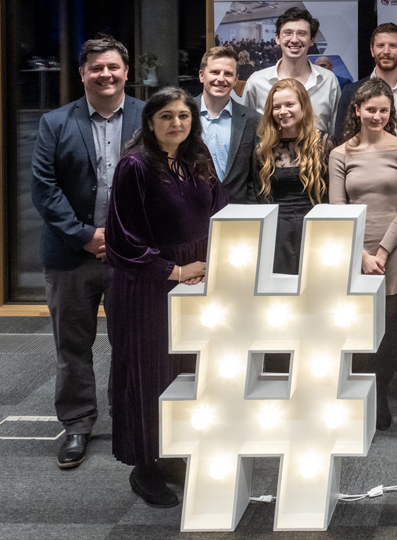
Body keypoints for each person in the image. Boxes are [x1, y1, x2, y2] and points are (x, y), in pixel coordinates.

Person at [106, 87, 228, 507]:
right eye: (166, 116)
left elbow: (220, 208)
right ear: (150, 121)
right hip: (149, 284)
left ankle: (172, 450)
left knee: (185, 372)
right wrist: (173, 272)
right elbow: (123, 240)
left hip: (196, 276)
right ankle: (145, 465)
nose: (177, 123)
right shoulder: (135, 166)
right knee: (148, 374)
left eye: (184, 116)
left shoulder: (198, 158)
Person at [31, 37, 145, 470]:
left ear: (126, 71)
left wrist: (123, 237)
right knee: (72, 344)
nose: (106, 75)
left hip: (131, 253)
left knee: (129, 342)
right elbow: (44, 189)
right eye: (96, 68)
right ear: (82, 74)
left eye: (113, 67)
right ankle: (77, 423)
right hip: (70, 254)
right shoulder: (55, 122)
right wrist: (85, 236)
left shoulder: (146, 117)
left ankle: (126, 419)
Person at [329, 79, 397, 431]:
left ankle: (379, 394)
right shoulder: (340, 153)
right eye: (371, 109)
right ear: (357, 110)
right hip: (354, 250)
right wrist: (363, 255)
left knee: (388, 329)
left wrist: (381, 252)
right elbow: (338, 207)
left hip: (394, 250)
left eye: (384, 110)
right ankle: (360, 397)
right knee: (359, 327)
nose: (377, 116)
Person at [255, 79, 334, 274]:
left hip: (316, 229)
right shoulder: (263, 148)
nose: (283, 111)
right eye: (277, 107)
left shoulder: (324, 143)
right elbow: (259, 195)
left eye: (290, 104)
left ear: (303, 106)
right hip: (277, 232)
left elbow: (332, 194)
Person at [242, 7, 341, 133]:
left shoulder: (328, 80)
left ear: (312, 40)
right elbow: (245, 133)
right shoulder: (256, 82)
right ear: (277, 38)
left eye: (302, 33)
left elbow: (335, 133)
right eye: (288, 33)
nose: (294, 40)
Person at [334, 23, 397, 141]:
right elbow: (341, 139)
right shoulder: (351, 91)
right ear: (372, 50)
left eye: (393, 46)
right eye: (380, 45)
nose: (386, 51)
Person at [196, 46, 261, 203]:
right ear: (201, 75)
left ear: (235, 79)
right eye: (215, 72)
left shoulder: (253, 120)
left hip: (236, 215)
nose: (221, 79)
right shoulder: (182, 116)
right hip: (190, 213)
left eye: (228, 74)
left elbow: (257, 176)